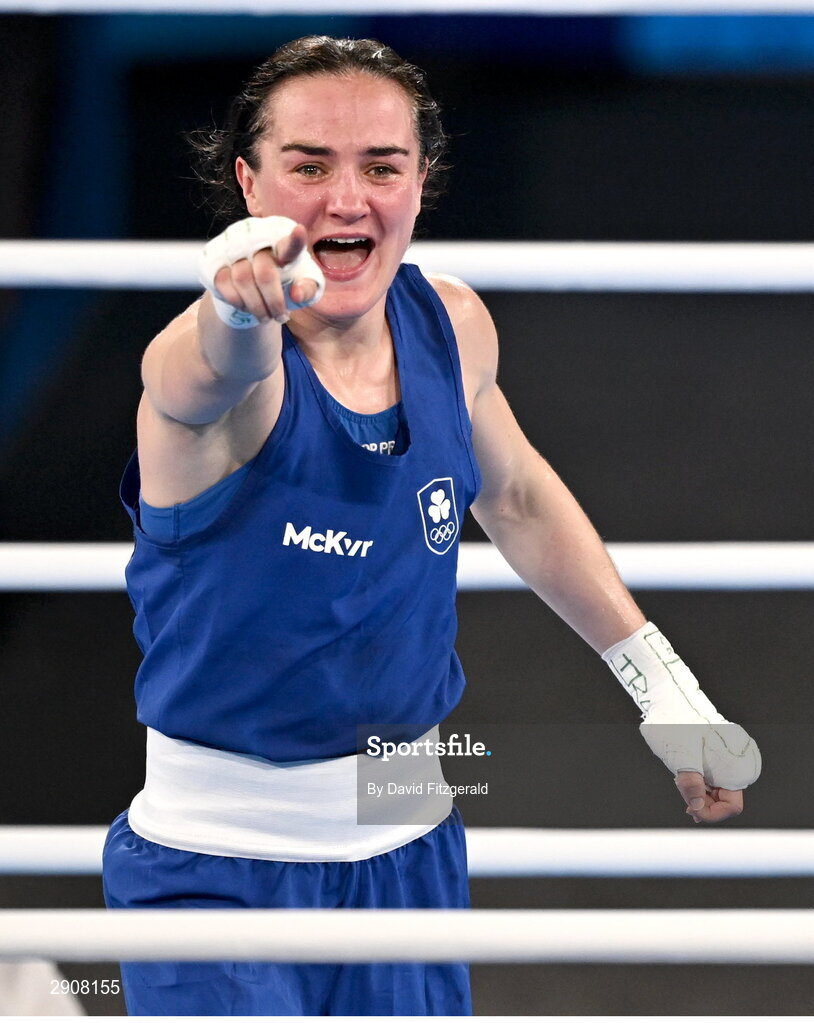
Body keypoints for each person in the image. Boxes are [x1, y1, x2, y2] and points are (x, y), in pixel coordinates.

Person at [102, 35, 761, 1017]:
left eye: (381, 165)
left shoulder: (450, 328)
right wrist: (235, 312)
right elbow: (194, 373)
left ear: (421, 182)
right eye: (308, 165)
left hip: (409, 846)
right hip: (217, 872)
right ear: (249, 182)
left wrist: (662, 686)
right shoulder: (222, 372)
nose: (346, 198)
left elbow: (520, 497)